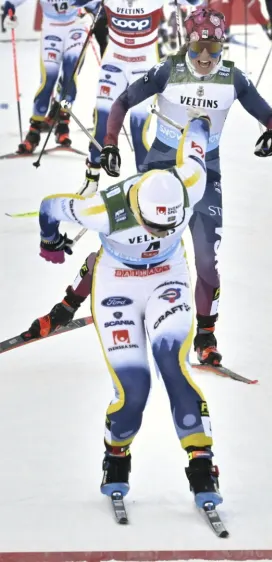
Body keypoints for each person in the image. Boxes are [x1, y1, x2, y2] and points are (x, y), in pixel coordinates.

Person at [22, 6, 272, 368]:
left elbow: (271, 117)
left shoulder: (233, 78)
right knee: (125, 244)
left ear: (222, 46)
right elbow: (121, 102)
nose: (204, 57)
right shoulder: (168, 69)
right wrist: (110, 143)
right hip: (159, 173)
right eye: (197, 48)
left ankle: (206, 337)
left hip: (204, 176)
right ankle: (66, 308)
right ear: (186, 43)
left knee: (207, 262)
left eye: (212, 49)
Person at [35, 114, 223, 508]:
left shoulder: (190, 181)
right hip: (116, 282)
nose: (159, 234)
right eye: (154, 227)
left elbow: (197, 138)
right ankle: (116, 455)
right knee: (134, 387)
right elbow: (50, 206)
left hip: (167, 277)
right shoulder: (102, 209)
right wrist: (49, 240)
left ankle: (202, 461)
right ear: (137, 209)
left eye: (168, 227)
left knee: (172, 363)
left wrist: (200, 121)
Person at [83, 0, 202, 190]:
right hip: (114, 63)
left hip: (143, 66)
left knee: (138, 130)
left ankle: (145, 189)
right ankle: (90, 181)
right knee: (102, 125)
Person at [2, 0, 90, 153]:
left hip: (76, 27)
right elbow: (11, 3)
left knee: (70, 78)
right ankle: (34, 131)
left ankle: (63, 124)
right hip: (52, 29)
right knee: (48, 80)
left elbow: (100, 4)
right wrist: (8, 13)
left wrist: (92, 13)